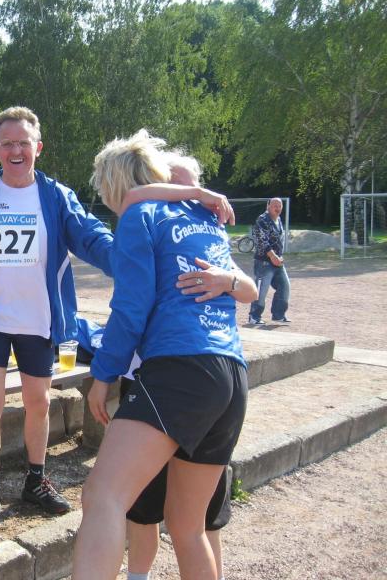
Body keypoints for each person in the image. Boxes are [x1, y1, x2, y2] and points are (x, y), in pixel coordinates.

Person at [72, 129, 256, 580]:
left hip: (180, 368)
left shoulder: (140, 215)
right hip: (231, 376)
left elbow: (130, 309)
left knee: (103, 496)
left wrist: (103, 374)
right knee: (188, 525)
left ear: (113, 183)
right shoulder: (204, 218)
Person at [0, 106, 115, 529]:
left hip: (39, 320)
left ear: (38, 147)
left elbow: (90, 236)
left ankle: (36, 480)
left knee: (39, 402)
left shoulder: (56, 196)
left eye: (24, 143)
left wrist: (127, 259)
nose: (16, 151)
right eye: (7, 143)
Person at [121, 150, 253, 580]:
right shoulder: (151, 217)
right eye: (173, 184)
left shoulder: (204, 233)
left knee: (198, 518)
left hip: (191, 377)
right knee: (147, 508)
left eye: (190, 185)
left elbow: (250, 289)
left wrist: (226, 280)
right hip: (156, 375)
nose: (182, 193)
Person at [248, 197, 290, 325]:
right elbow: (262, 241)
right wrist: (273, 256)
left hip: (278, 262)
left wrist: (279, 256)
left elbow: (279, 240)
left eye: (280, 206)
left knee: (284, 285)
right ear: (268, 206)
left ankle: (278, 315)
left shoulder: (279, 220)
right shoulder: (262, 220)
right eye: (274, 205)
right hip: (264, 262)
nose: (278, 208)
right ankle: (254, 316)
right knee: (261, 290)